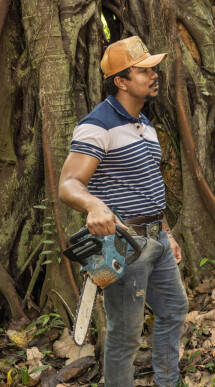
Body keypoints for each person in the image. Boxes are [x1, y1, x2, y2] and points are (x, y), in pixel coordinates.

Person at [58, 36, 188, 387]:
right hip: (125, 247)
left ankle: (167, 382)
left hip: (156, 240)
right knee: (125, 336)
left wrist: (168, 233)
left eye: (153, 68)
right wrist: (93, 204)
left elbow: (148, 185)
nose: (153, 74)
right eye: (143, 70)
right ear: (121, 81)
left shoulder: (145, 125)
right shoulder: (97, 125)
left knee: (175, 311)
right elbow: (68, 184)